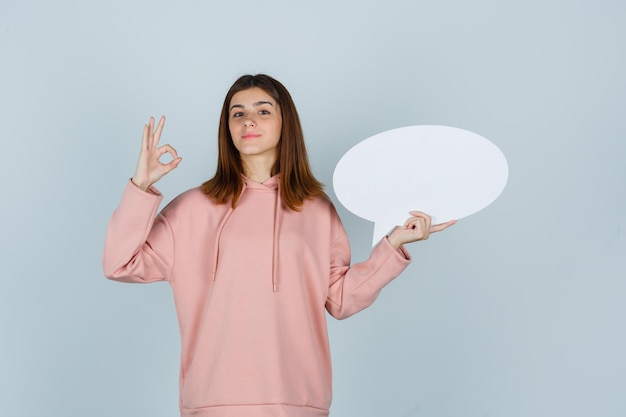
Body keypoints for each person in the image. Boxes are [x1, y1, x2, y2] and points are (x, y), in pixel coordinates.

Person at [103, 74, 455, 417]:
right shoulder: (193, 208)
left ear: (286, 122)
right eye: (237, 113)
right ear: (227, 128)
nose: (248, 121)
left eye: (263, 110)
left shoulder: (315, 209)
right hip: (212, 402)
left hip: (298, 401)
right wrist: (140, 186)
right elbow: (120, 264)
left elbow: (341, 299)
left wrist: (393, 244)